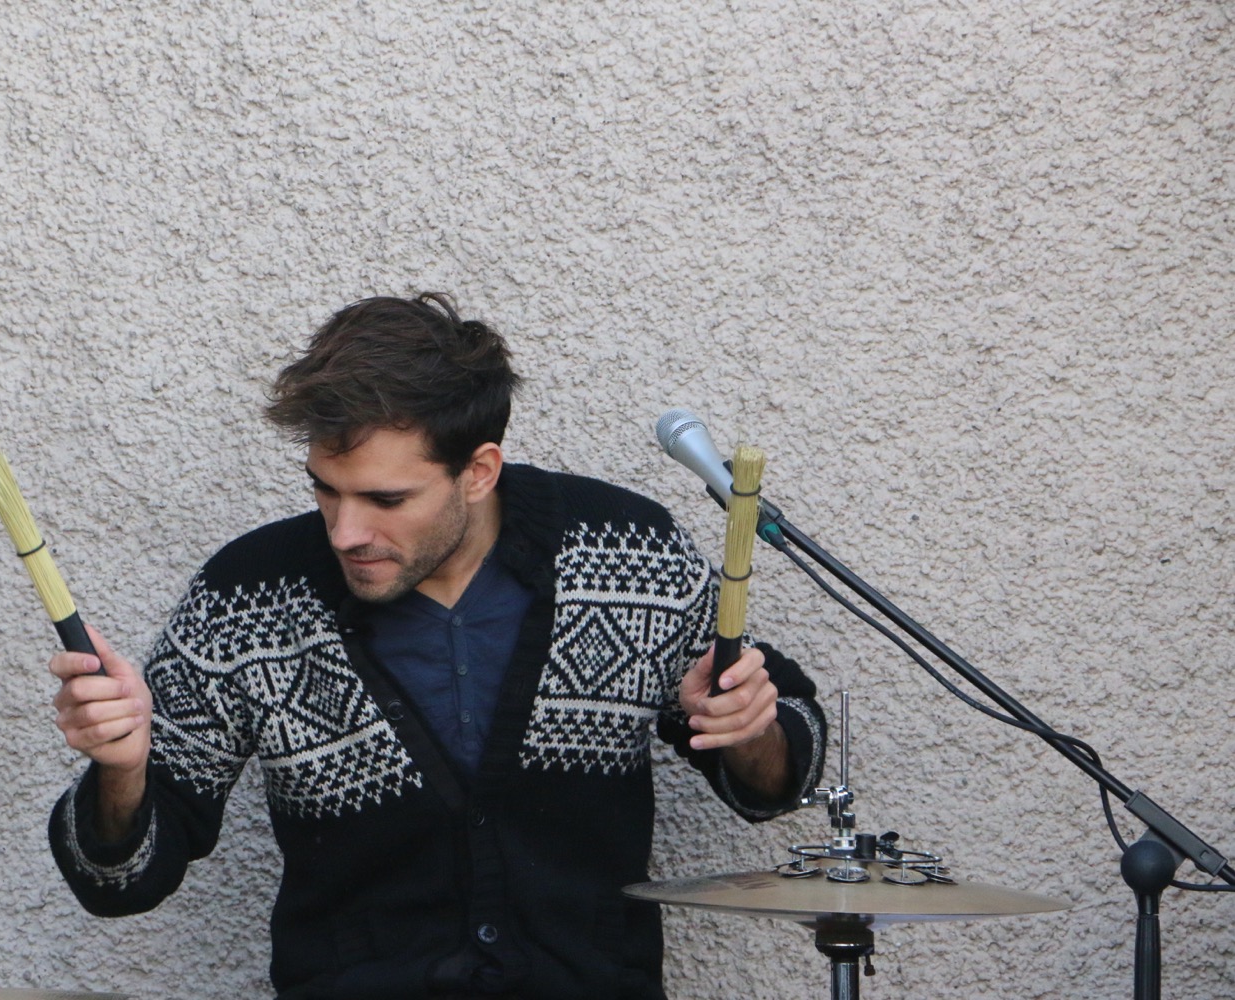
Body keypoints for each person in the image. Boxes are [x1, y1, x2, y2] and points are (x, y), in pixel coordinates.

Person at [47, 293, 828, 999]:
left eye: (386, 499)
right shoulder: (247, 597)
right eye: (325, 489)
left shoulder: (630, 554)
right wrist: (123, 772)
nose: (346, 532)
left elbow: (775, 783)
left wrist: (748, 727)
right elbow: (119, 881)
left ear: (479, 471)